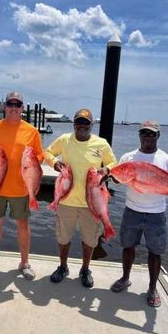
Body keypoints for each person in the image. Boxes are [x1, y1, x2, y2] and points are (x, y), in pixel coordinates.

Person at [110, 121, 168, 307]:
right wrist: (110, 177)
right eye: (144, 133)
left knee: (155, 252)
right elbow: (118, 178)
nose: (147, 137)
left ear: (158, 136)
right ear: (139, 135)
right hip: (131, 210)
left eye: (151, 134)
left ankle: (152, 289)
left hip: (156, 214)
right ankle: (125, 278)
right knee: (128, 247)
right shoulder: (128, 157)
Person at [44, 108, 117, 287]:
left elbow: (113, 163)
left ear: (92, 125)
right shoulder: (64, 140)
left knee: (90, 240)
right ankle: (63, 267)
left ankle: (85, 269)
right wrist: (54, 163)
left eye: (86, 123)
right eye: (79, 122)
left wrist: (107, 170)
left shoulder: (101, 144)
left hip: (91, 204)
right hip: (66, 201)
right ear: (74, 124)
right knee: (63, 238)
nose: (82, 126)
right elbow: (47, 152)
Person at [0, 91, 43, 280]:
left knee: (23, 224)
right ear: (4, 106)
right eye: (10, 104)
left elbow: (40, 156)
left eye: (18, 105)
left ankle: (24, 263)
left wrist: (30, 161)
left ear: (22, 108)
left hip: (21, 187)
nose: (14, 108)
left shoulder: (32, 131)